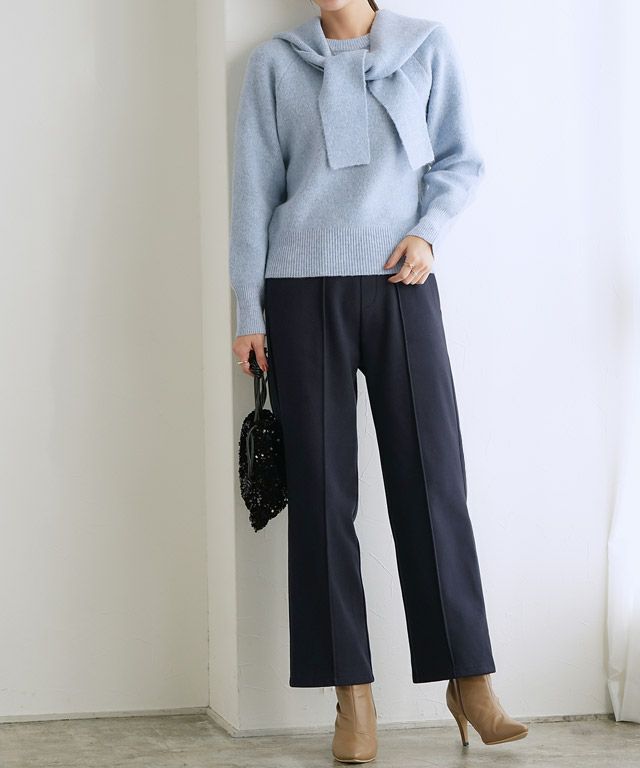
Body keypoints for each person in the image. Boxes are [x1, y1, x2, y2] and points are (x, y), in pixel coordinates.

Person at [228, 0, 528, 761]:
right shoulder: (274, 64)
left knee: (433, 482)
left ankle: (471, 680)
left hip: (402, 283)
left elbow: (460, 159)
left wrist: (429, 232)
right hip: (300, 293)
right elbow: (253, 189)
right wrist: (248, 310)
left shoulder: (426, 48)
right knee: (324, 496)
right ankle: (351, 698)